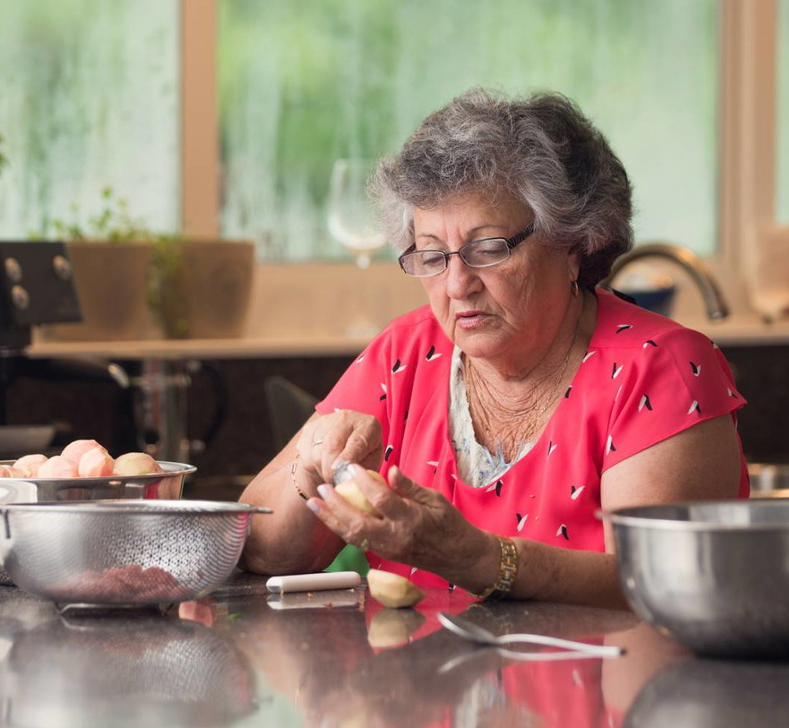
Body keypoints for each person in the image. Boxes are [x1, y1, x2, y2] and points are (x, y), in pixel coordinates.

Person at [239, 88, 747, 607]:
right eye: (432, 256)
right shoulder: (407, 353)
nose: (458, 285)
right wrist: (311, 473)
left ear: (572, 243)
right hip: (416, 683)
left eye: (487, 249)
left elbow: (662, 585)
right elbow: (255, 542)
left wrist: (474, 558)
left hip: (608, 683)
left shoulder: (660, 369)